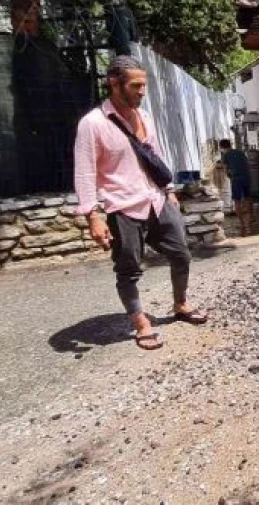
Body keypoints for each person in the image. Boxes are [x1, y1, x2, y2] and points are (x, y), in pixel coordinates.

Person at [73, 55, 208, 350]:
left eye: (144, 85)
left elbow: (155, 156)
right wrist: (93, 216)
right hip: (122, 207)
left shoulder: (144, 117)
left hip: (157, 201)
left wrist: (169, 191)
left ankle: (181, 304)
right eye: (135, 86)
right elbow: (84, 173)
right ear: (113, 83)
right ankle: (140, 322)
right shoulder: (92, 124)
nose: (141, 91)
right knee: (129, 268)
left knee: (181, 254)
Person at [218, 138, 255, 236]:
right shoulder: (240, 152)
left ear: (222, 147)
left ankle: (242, 225)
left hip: (236, 179)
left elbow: (226, 170)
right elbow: (247, 164)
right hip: (246, 177)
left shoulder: (226, 156)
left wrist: (230, 175)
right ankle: (250, 219)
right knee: (248, 198)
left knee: (237, 201)